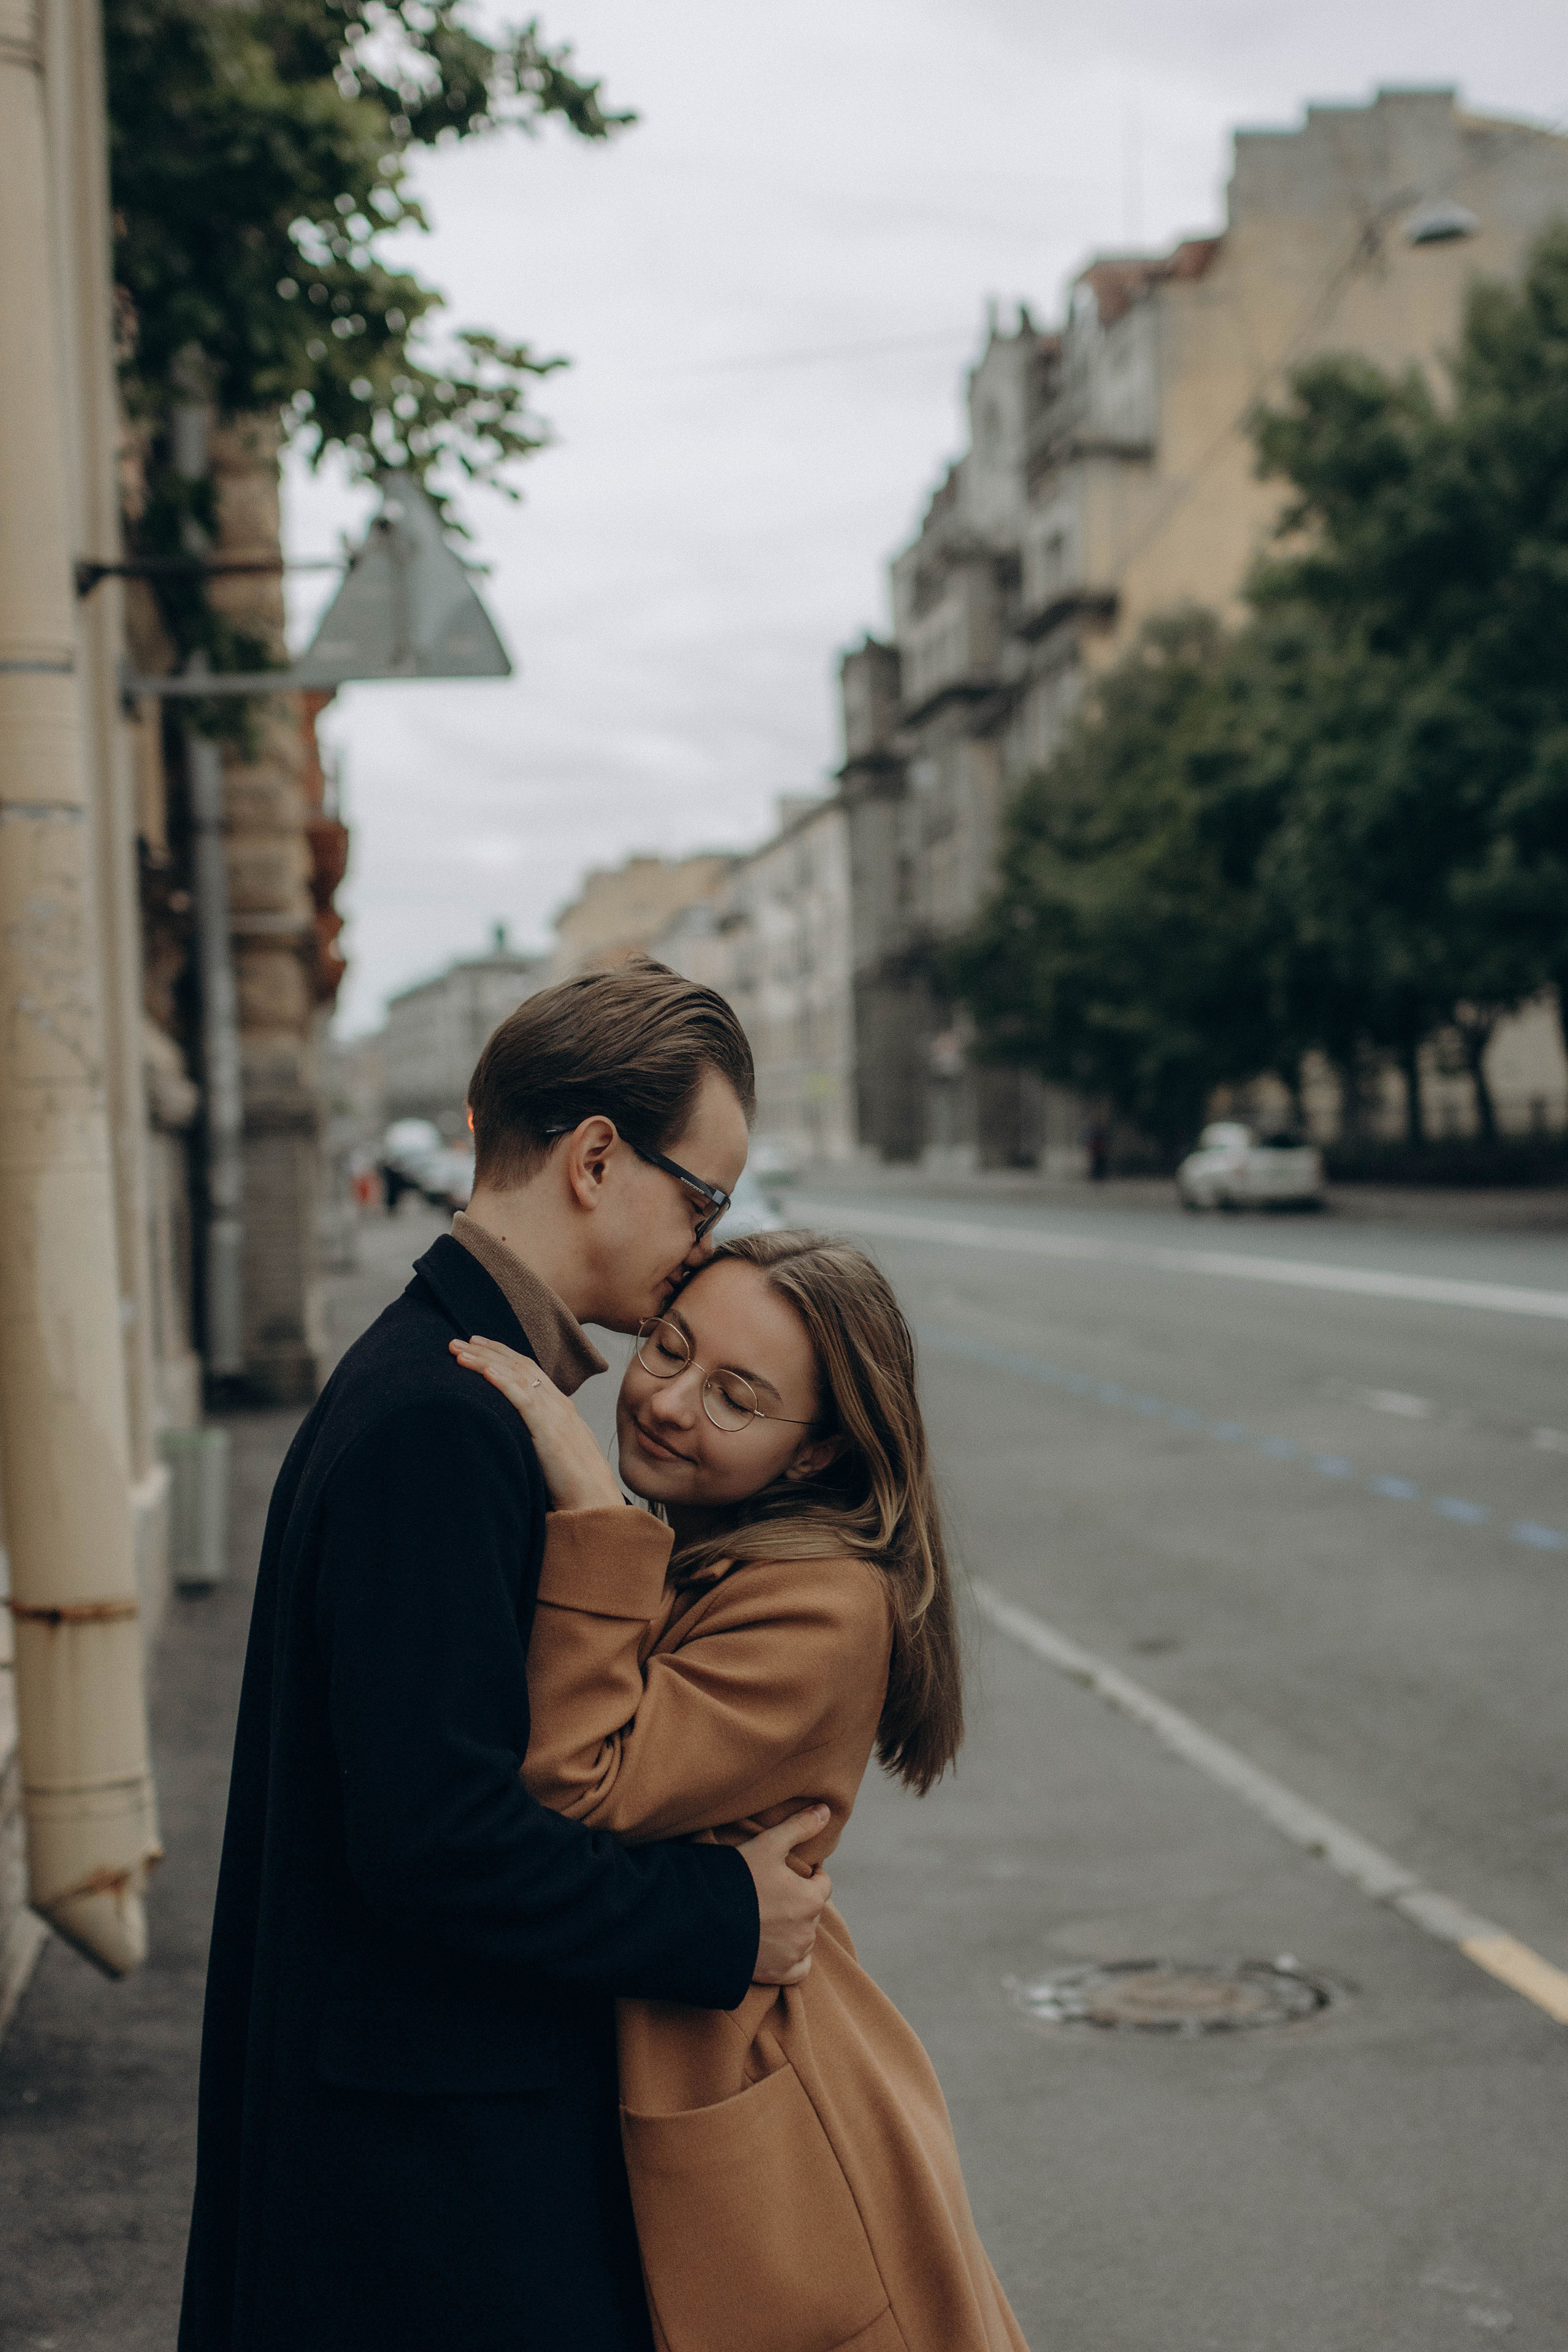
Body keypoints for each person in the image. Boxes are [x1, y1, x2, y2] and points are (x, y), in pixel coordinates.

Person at [179, 960, 835, 2352]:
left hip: (403, 2145)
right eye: (701, 1200)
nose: (706, 1249)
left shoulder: (446, 1376)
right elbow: (437, 1843)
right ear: (597, 1158)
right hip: (422, 2192)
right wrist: (724, 1919)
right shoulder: (449, 1417)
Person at [451, 1229, 1030, 2352]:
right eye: (669, 1349)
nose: (669, 1403)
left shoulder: (826, 1606)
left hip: (760, 2078)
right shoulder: (712, 1546)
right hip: (680, 2029)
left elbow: (576, 1783)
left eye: (736, 1399)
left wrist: (589, 1511)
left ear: (814, 1456)